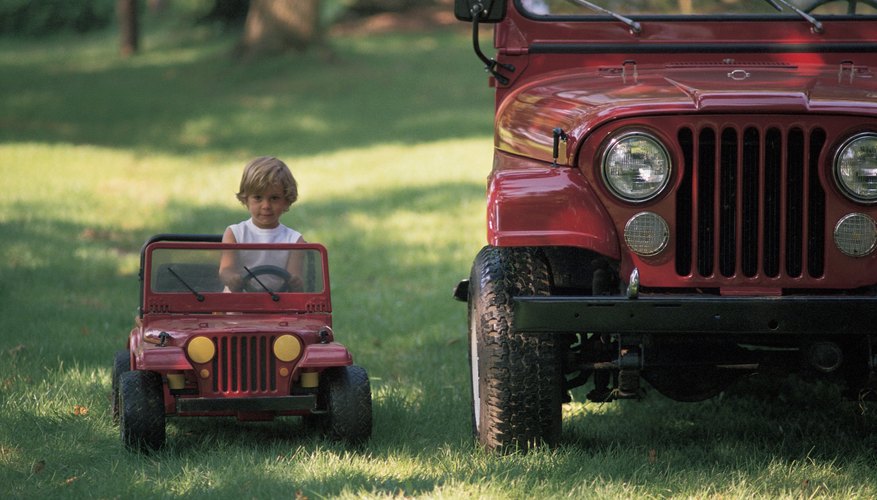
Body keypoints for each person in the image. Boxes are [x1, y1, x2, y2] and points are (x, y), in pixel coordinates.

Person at [219, 156, 306, 292]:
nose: (266, 205)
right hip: (238, 301)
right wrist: (232, 278)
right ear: (246, 199)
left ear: (286, 201)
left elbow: (294, 279)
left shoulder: (295, 241)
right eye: (258, 198)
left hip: (277, 302)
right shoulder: (234, 233)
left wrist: (296, 282)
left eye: (274, 198)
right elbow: (225, 270)